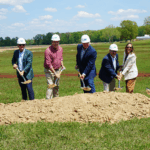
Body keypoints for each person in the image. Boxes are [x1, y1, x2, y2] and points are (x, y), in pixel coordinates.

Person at [44, 34, 65, 99]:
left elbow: (61, 58)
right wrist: (55, 73)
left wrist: (62, 65)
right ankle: (48, 100)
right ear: (51, 42)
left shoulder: (60, 49)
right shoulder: (47, 51)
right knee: (50, 85)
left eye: (57, 42)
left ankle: (56, 99)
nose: (56, 43)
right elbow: (48, 64)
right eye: (54, 42)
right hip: (49, 70)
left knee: (56, 85)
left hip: (57, 69)